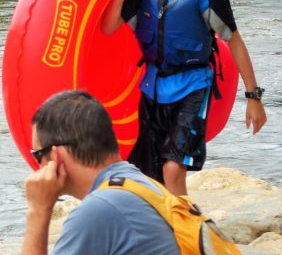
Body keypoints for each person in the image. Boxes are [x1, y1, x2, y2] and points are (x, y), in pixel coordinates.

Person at [100, 0, 267, 196]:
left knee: (173, 169)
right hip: (152, 89)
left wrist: (253, 97)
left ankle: (185, 235)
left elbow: (235, 42)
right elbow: (108, 27)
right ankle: (163, 232)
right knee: (148, 175)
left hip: (192, 87)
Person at [21, 90, 180, 254]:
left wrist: (38, 211)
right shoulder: (141, 184)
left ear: (56, 157)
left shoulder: (99, 210)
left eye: (37, 155)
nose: (37, 167)